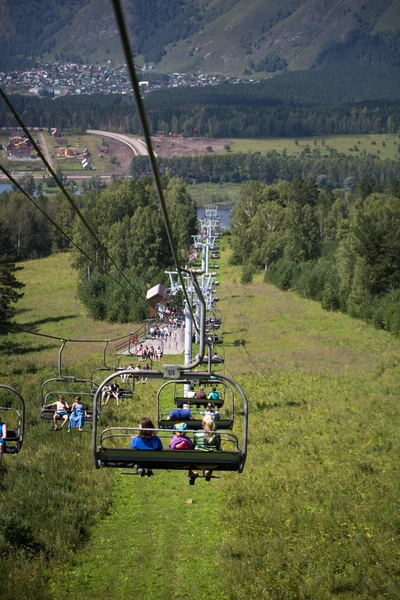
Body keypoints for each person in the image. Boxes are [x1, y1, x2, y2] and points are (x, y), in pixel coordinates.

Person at [188, 415, 221, 485]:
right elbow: (218, 448)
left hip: (197, 463)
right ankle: (209, 473)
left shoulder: (197, 434)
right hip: (212, 464)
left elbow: (194, 445)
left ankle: (190, 473)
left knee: (191, 450)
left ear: (203, 424)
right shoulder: (217, 436)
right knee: (216, 451)